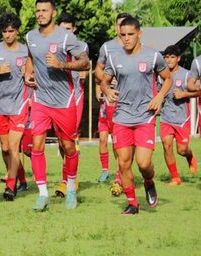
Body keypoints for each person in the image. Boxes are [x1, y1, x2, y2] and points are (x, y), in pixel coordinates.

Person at [100, 15, 172, 215]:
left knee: (143, 162)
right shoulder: (114, 58)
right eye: (123, 35)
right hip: (122, 116)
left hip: (144, 116)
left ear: (139, 34)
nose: (126, 38)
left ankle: (149, 181)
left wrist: (159, 97)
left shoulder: (153, 56)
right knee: (123, 162)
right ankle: (132, 203)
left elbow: (168, 79)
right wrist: (107, 90)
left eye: (131, 34)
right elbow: (104, 81)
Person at [24, 0, 89, 211]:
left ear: (53, 12)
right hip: (41, 99)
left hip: (64, 101)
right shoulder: (30, 36)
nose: (40, 14)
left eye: (44, 10)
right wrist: (28, 75)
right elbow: (31, 58)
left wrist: (62, 64)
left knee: (68, 147)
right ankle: (43, 194)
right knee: (37, 145)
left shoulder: (66, 38)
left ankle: (70, 187)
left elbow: (85, 62)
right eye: (38, 11)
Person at [0, 13, 29, 201]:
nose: (8, 35)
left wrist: (28, 76)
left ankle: (10, 186)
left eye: (11, 31)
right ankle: (20, 177)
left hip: (19, 104)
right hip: (0, 106)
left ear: (17, 31)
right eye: (4, 31)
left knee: (13, 146)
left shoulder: (27, 52)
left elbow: (34, 77)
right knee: (4, 148)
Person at [55, 13, 89, 198]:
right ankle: (68, 175)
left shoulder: (81, 46)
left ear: (74, 30)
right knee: (61, 141)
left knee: (70, 139)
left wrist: (86, 74)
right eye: (62, 29)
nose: (65, 32)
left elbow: (87, 66)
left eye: (68, 29)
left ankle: (69, 180)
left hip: (74, 97)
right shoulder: (52, 45)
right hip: (55, 99)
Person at [94, 13, 128, 193]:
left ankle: (118, 173)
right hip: (108, 101)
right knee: (102, 138)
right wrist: (104, 85)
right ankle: (105, 170)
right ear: (116, 27)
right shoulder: (107, 47)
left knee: (118, 141)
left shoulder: (136, 49)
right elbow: (97, 72)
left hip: (125, 102)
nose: (121, 29)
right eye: (119, 25)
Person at [158, 45, 197, 185]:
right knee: (166, 144)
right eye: (166, 57)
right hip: (166, 117)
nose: (169, 60)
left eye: (172, 57)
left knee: (181, 150)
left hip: (182, 119)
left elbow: (198, 91)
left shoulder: (187, 75)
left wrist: (184, 94)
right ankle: (175, 178)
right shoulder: (160, 76)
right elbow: (157, 92)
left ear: (178, 58)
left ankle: (190, 156)